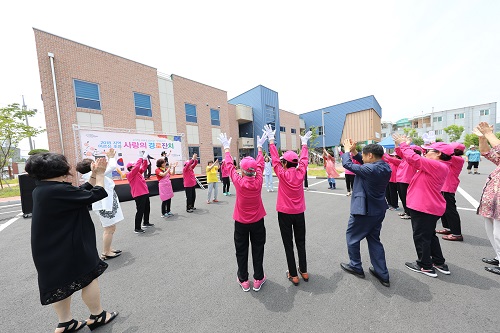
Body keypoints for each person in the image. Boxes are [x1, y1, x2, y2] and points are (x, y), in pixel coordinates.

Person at [26, 153, 118, 332]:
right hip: (70, 245)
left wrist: (92, 175)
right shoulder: (58, 190)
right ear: (59, 169)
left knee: (59, 284)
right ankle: (97, 315)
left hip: (48, 248)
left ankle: (65, 323)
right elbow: (96, 194)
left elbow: (81, 191)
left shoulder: (43, 188)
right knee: (89, 277)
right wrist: (100, 174)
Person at [393, 134, 452, 278]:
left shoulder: (436, 165)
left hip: (423, 206)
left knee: (421, 237)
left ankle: (425, 265)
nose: (425, 152)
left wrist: (404, 144)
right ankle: (438, 262)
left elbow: (414, 158)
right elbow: (407, 158)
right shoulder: (438, 165)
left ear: (439, 153)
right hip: (428, 206)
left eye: (429, 150)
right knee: (429, 236)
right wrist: (399, 145)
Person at [219, 132, 268, 292]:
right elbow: (260, 165)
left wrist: (226, 148)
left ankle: (244, 280)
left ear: (242, 169)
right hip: (258, 221)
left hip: (241, 222)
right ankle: (258, 278)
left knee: (241, 250)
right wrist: (260, 147)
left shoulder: (239, 181)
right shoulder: (259, 180)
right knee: (258, 249)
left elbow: (229, 166)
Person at [339, 140, 392, 287]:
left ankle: (356, 266)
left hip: (364, 211)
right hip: (378, 210)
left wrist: (347, 150)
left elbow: (347, 165)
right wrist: (355, 152)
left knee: (352, 238)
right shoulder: (385, 166)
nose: (362, 157)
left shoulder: (371, 169)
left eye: (364, 155)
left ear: (370, 155)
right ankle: (382, 273)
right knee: (374, 240)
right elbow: (362, 162)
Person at [264, 124, 312, 286]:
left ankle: (293, 274)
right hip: (299, 213)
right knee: (301, 242)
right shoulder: (300, 172)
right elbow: (304, 160)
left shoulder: (282, 173)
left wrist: (271, 141)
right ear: (295, 163)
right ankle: (303, 271)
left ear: (285, 163)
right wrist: (304, 145)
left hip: (284, 213)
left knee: (288, 243)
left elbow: (275, 160)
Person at [76, 148, 124, 260]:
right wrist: (111, 157)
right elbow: (112, 167)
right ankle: (105, 252)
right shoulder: (92, 174)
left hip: (106, 204)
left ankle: (108, 248)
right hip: (104, 205)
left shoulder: (90, 175)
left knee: (111, 228)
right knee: (109, 228)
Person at [475, 122, 500, 275]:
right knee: (491, 229)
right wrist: (482, 138)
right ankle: (498, 256)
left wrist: (489, 134)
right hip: (493, 203)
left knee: (499, 233)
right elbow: (487, 153)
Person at [436, 142, 466, 241]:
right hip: (444, 186)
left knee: (450, 210)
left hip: (447, 187)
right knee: (443, 209)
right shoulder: (452, 159)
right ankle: (448, 228)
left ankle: (457, 233)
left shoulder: (457, 159)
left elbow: (442, 155)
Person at [127, 151, 154, 233]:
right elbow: (137, 167)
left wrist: (145, 159)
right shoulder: (130, 174)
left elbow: (144, 167)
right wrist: (140, 158)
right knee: (140, 210)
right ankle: (137, 228)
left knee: (147, 209)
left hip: (145, 193)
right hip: (138, 194)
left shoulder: (138, 172)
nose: (135, 167)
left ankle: (146, 222)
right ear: (130, 168)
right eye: (133, 166)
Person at [394, 144, 422, 219]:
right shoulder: (405, 158)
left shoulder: (414, 159)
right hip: (400, 179)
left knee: (406, 197)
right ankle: (406, 211)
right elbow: (398, 151)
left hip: (407, 180)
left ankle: (409, 213)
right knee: (402, 196)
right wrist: (397, 144)